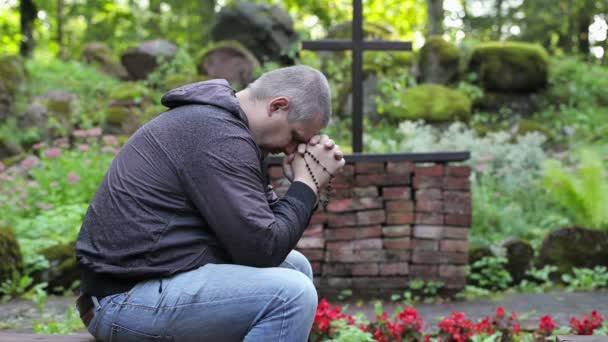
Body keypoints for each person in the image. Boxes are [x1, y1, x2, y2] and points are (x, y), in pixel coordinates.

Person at [75, 65, 345, 342]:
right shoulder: (217, 134)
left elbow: (264, 234)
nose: (293, 149)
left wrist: (301, 183)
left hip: (152, 281)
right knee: (291, 295)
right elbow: (262, 250)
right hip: (121, 300)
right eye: (296, 137)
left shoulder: (227, 128)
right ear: (277, 106)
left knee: (295, 267)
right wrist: (306, 185)